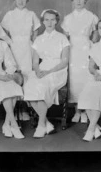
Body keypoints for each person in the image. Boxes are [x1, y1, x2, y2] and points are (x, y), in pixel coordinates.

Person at [24, 9, 70, 138]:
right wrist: (38, 71)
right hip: (42, 68)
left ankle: (41, 125)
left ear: (56, 21)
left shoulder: (62, 38)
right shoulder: (38, 39)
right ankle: (47, 123)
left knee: (42, 87)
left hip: (57, 70)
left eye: (52, 19)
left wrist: (49, 72)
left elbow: (65, 61)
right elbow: (34, 61)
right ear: (43, 21)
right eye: (46, 19)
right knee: (29, 87)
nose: (49, 22)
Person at [1, 0, 41, 120]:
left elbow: (35, 33)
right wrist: (9, 44)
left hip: (27, 47)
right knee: (14, 74)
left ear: (27, 0)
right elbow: (4, 33)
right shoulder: (9, 15)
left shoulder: (31, 14)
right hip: (13, 47)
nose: (20, 1)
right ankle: (13, 109)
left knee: (27, 76)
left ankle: (25, 108)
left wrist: (33, 46)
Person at [61, 0, 99, 123]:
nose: (78, 1)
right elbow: (65, 37)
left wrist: (92, 47)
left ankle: (85, 111)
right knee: (75, 81)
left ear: (85, 0)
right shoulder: (68, 18)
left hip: (86, 49)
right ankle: (77, 110)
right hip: (73, 51)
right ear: (72, 1)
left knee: (86, 79)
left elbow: (95, 33)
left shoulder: (91, 16)